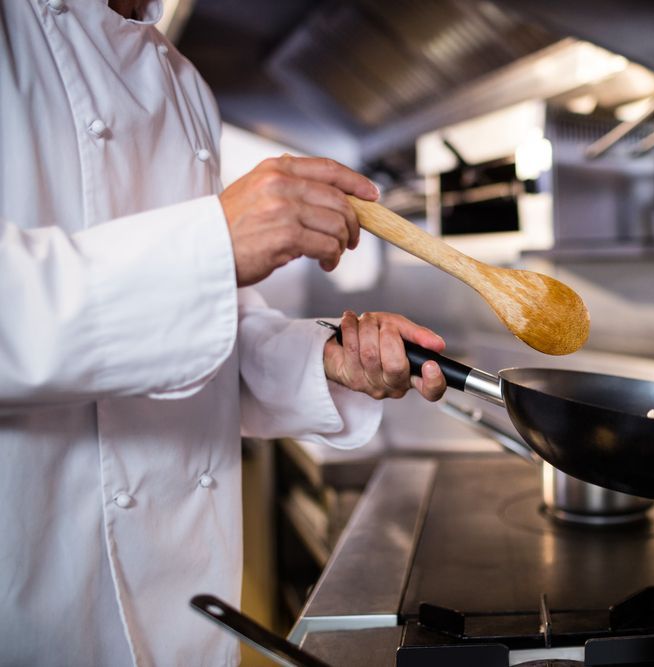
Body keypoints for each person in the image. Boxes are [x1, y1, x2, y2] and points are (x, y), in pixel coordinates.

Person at [0, 1, 446, 664]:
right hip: (41, 604)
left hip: (184, 614)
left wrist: (323, 360)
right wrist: (213, 243)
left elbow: (196, 326)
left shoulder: (185, 89)